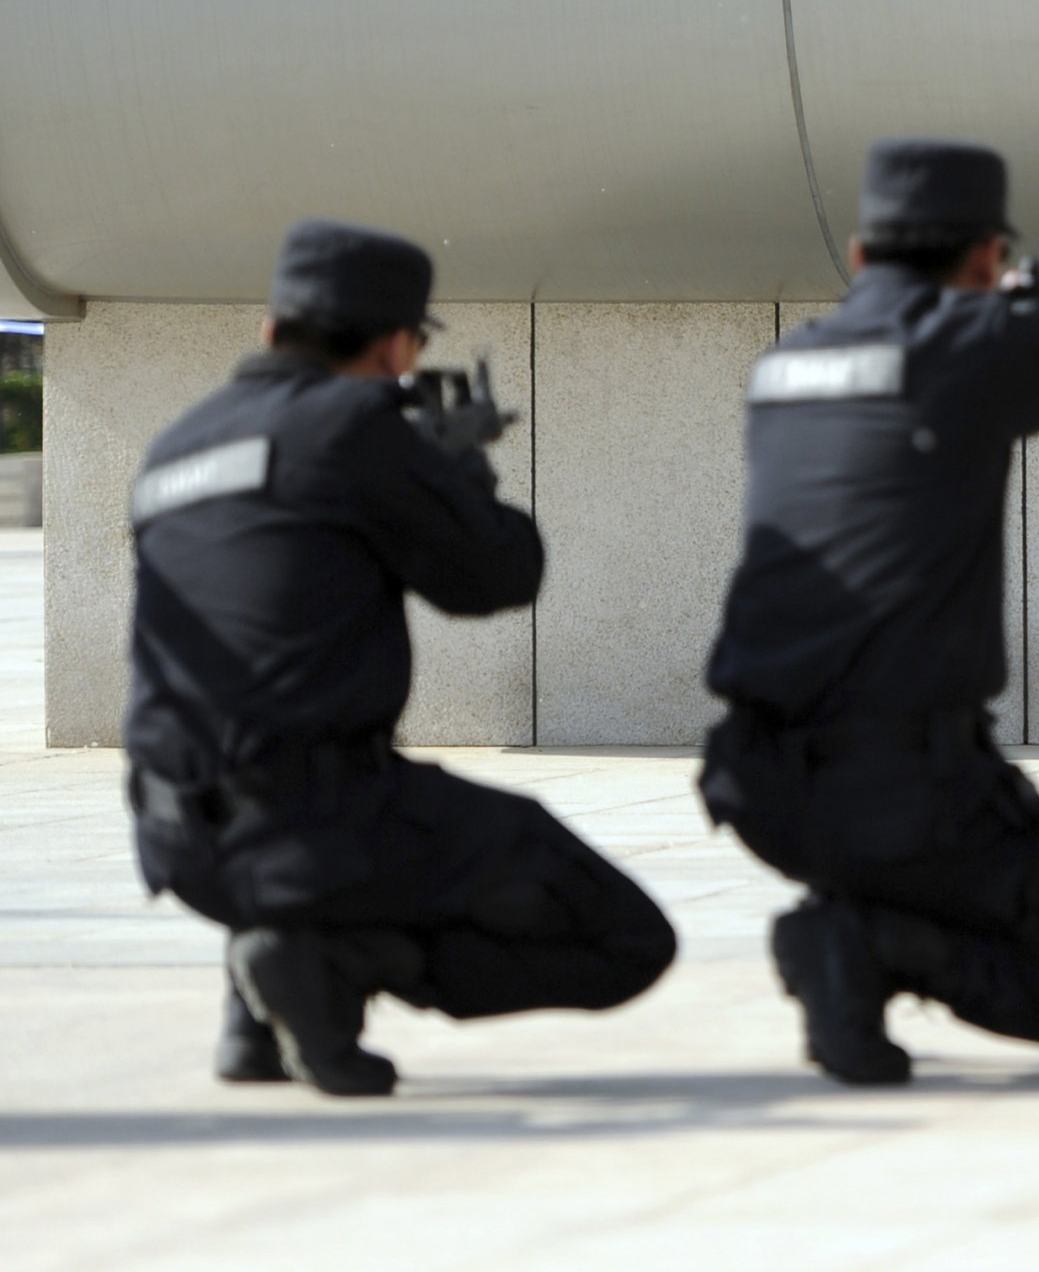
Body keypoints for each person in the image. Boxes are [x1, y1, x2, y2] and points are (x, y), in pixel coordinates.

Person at [124, 220, 676, 1097]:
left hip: (174, 835)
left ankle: (262, 1005)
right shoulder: (354, 425)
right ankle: (337, 963)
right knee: (628, 940)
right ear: (395, 347)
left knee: (292, 781)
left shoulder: (177, 446)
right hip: (317, 818)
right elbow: (496, 577)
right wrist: (460, 472)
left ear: (272, 331)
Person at [700, 139, 1039, 1085]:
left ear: (857, 255)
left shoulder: (786, 367)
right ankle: (875, 945)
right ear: (983, 257)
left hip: (762, 784)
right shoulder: (965, 344)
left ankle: (871, 924)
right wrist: (1032, 304)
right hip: (906, 796)